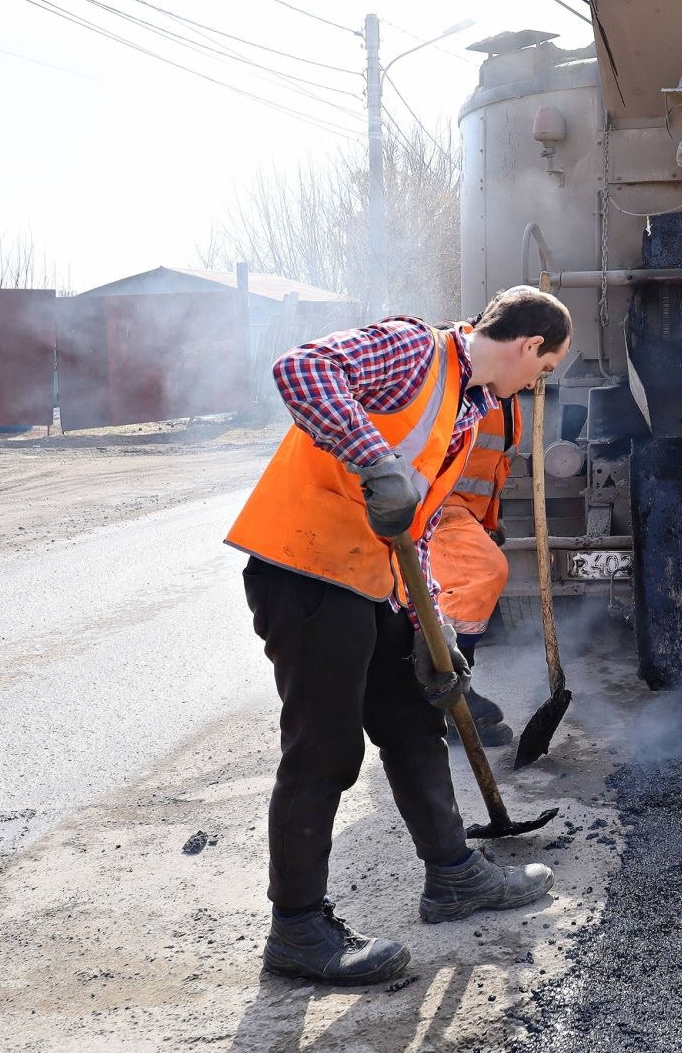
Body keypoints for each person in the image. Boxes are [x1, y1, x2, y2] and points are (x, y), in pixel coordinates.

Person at [225, 286, 570, 985]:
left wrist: (431, 629)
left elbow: (417, 530)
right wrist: (374, 461)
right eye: (544, 370)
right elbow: (300, 368)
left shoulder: (465, 414)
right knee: (324, 749)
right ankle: (295, 929)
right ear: (530, 345)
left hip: (368, 579)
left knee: (415, 718)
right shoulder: (417, 350)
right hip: (306, 569)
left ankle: (454, 877)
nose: (537, 385)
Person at [430, 323, 524, 749]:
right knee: (480, 576)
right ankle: (445, 696)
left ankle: (452, 691)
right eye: (545, 366)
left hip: (463, 510)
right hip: (434, 506)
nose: (544, 378)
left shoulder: (505, 393)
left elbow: (490, 467)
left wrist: (489, 522)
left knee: (464, 586)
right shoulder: (456, 374)